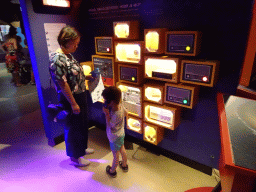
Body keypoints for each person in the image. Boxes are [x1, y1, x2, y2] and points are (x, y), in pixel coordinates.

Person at [49, 26, 94, 167]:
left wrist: (87, 77)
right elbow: (62, 83)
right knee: (74, 127)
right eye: (74, 43)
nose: (76, 46)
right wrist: (73, 103)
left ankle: (82, 148)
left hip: (79, 95)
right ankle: (75, 157)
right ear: (65, 41)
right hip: (71, 98)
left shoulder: (68, 54)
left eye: (77, 43)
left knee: (82, 124)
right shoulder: (58, 58)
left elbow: (73, 75)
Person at [102, 86, 129, 178]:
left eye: (106, 100)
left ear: (111, 101)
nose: (105, 101)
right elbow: (126, 113)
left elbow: (110, 125)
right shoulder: (121, 105)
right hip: (121, 134)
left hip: (114, 137)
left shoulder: (116, 114)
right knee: (122, 149)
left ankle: (112, 170)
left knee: (116, 155)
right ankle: (124, 165)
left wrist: (107, 114)